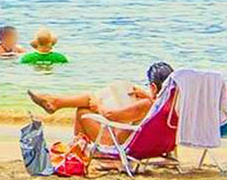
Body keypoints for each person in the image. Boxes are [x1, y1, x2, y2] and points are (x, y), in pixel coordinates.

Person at [28, 61, 174, 145]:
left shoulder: (147, 105)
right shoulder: (172, 105)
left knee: (83, 111)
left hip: (115, 143)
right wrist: (148, 96)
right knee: (86, 106)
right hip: (156, 146)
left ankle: (77, 143)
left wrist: (98, 105)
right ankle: (55, 103)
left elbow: (111, 115)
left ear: (154, 87)